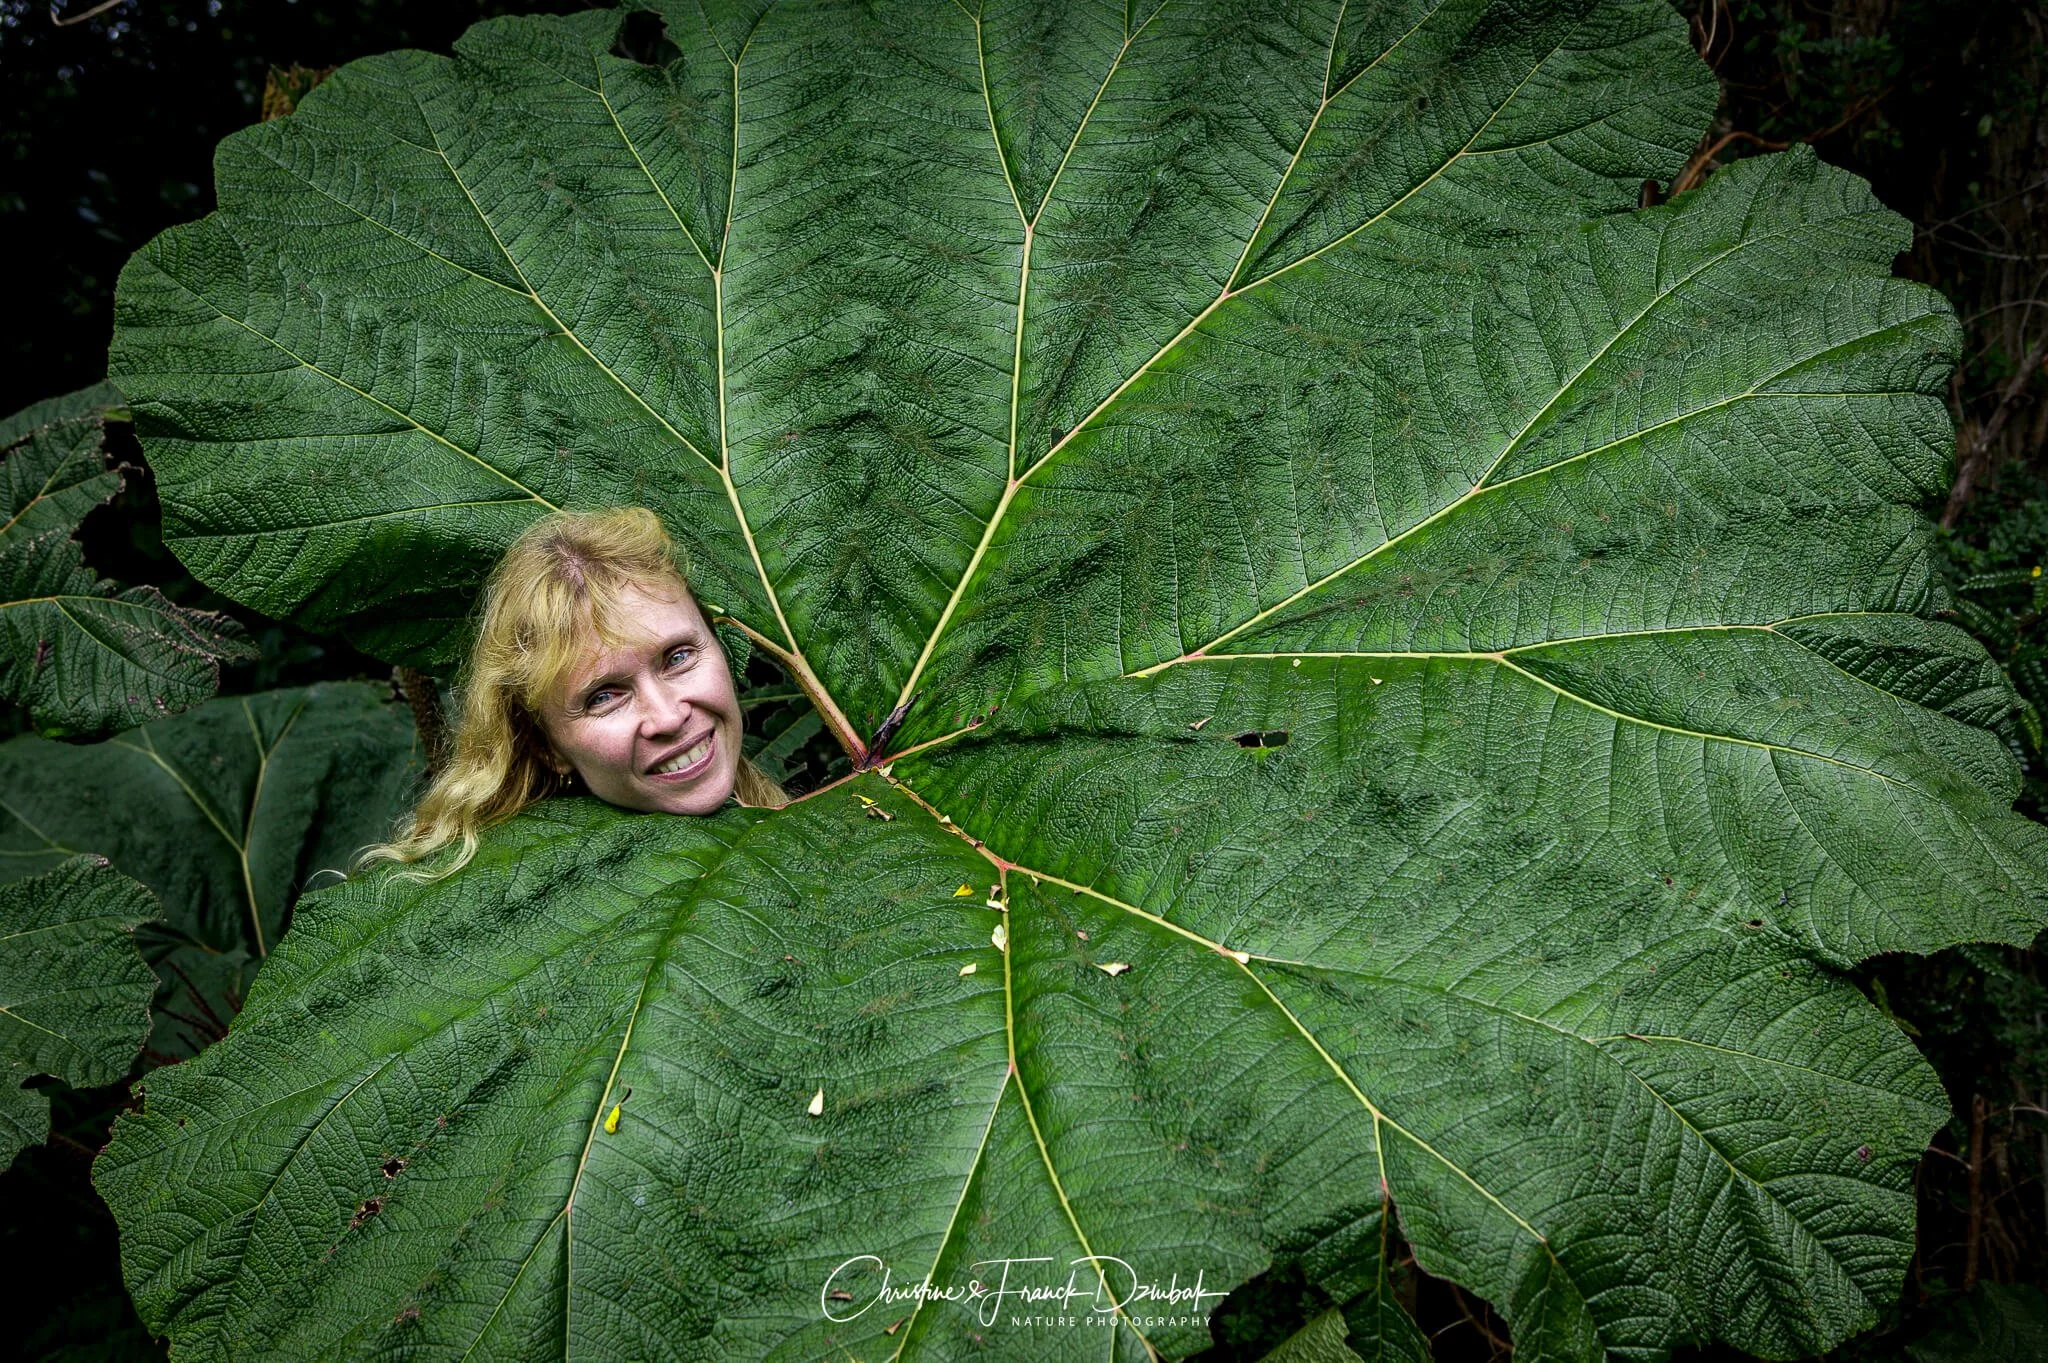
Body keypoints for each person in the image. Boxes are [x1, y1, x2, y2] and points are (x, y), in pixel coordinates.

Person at [360, 506, 789, 879]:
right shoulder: (515, 886)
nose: (669, 717)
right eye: (603, 696)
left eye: (677, 657)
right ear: (547, 746)